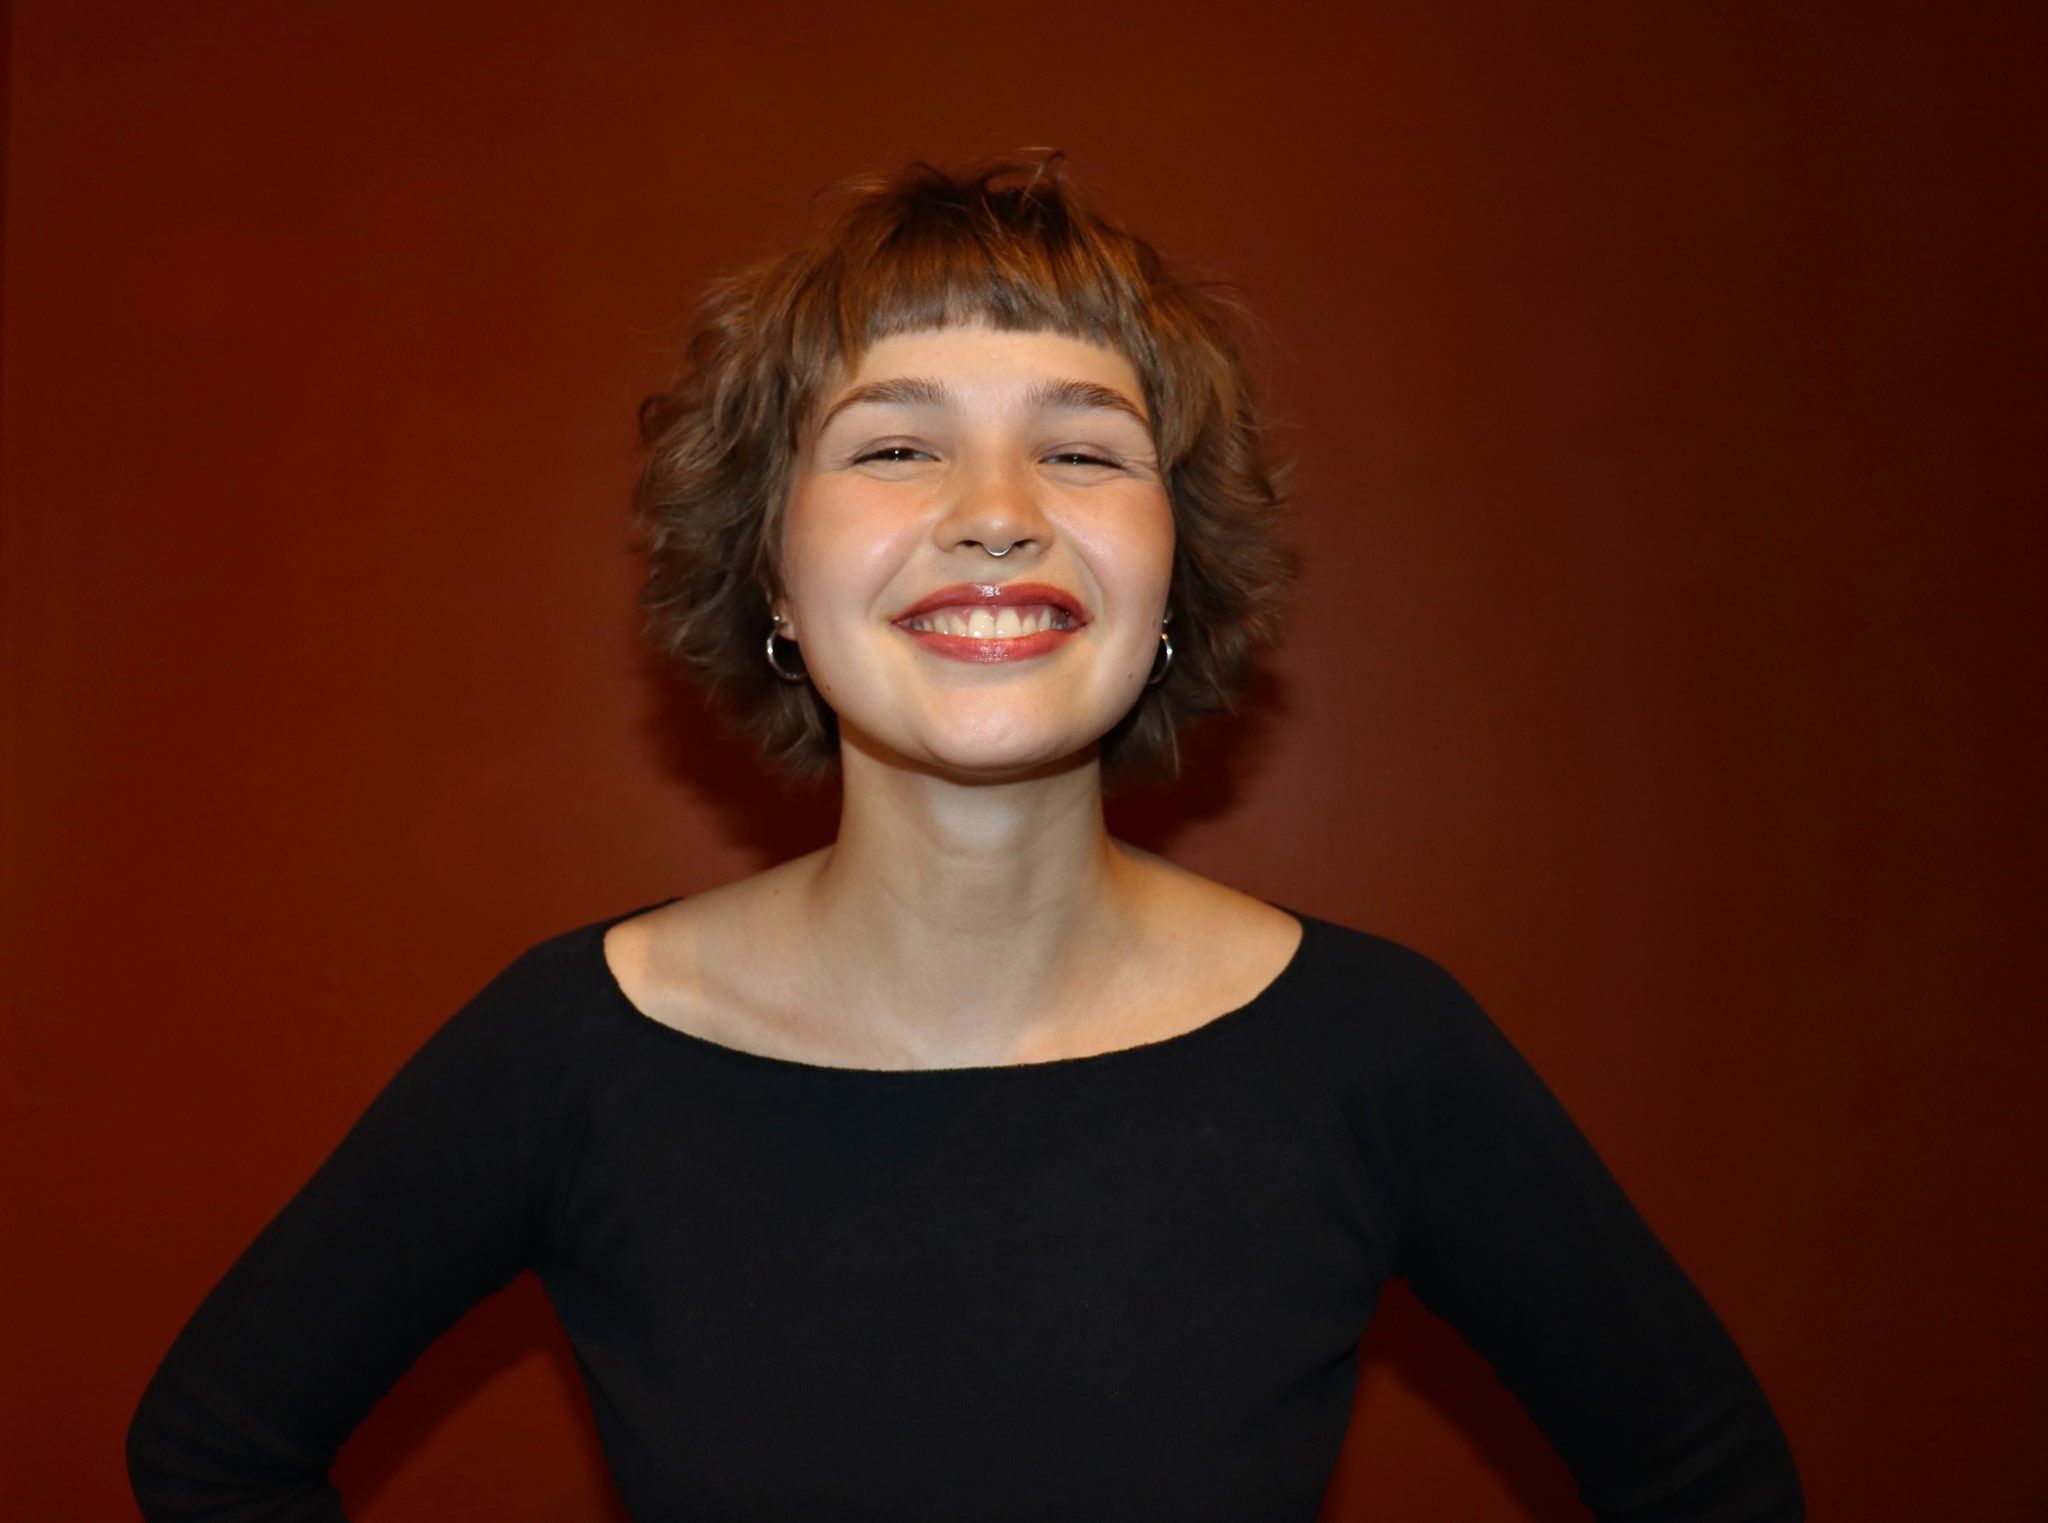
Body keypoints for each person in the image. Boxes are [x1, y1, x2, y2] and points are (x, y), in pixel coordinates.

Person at [126, 154, 1804, 1521]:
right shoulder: (571, 1054)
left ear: (1175, 578)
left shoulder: (1378, 1052)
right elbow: (213, 1452)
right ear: (775, 578)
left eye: (1081, 449)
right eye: (896, 444)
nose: (997, 513)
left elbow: (1712, 1484)